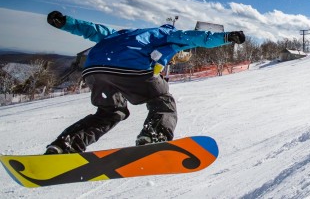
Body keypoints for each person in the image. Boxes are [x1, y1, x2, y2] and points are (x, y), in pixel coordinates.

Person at [44, 11, 245, 154]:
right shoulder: (166, 34)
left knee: (110, 112)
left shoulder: (124, 33)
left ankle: (66, 145)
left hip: (95, 69)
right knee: (162, 101)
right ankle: (154, 135)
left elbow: (92, 30)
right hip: (131, 67)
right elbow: (199, 38)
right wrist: (227, 37)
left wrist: (64, 22)